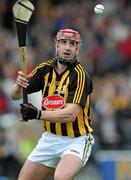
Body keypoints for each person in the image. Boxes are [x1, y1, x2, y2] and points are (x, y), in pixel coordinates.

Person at [11, 28, 94, 180]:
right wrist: (18, 85)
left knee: (61, 177)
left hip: (76, 140)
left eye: (72, 43)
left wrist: (37, 114)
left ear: (77, 47)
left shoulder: (80, 75)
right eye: (63, 42)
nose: (67, 47)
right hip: (50, 138)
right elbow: (15, 95)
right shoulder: (44, 70)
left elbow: (70, 115)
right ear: (56, 44)